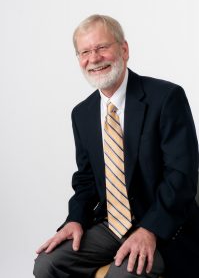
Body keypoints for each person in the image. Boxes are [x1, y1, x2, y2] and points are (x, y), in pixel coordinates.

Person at [33, 14, 199, 278]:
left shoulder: (166, 98)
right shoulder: (82, 114)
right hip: (111, 226)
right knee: (47, 264)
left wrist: (150, 230)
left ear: (124, 49)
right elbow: (86, 180)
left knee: (123, 274)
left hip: (164, 227)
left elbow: (181, 177)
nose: (94, 58)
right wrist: (74, 219)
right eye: (85, 51)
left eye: (102, 47)